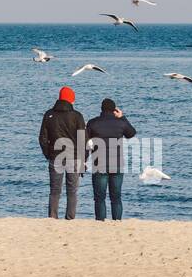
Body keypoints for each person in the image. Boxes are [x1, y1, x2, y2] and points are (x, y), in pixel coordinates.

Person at [38, 86, 86, 220]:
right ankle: (70, 218)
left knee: (54, 190)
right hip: (74, 157)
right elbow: (83, 140)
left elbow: (42, 138)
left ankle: (52, 217)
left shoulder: (49, 114)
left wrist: (48, 154)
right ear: (71, 99)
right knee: (72, 191)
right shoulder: (77, 116)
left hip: (55, 156)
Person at [86, 97, 137, 221]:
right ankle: (117, 221)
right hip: (117, 164)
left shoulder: (93, 123)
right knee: (116, 197)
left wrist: (84, 160)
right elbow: (131, 133)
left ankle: (100, 222)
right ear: (114, 110)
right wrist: (122, 117)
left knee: (99, 198)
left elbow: (85, 143)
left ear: (101, 109)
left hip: (100, 164)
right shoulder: (120, 123)